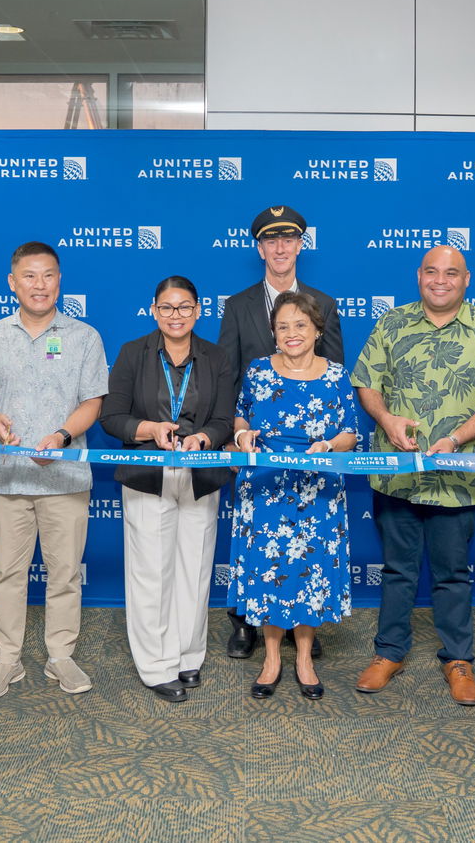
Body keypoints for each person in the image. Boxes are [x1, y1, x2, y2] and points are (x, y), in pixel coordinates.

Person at [351, 246, 475, 706]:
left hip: (458, 478)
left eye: (451, 273)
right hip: (397, 477)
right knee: (397, 571)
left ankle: (458, 659)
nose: (440, 280)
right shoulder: (391, 324)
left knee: (452, 574)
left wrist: (458, 439)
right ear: (418, 276)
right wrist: (385, 420)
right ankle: (389, 653)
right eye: (431, 272)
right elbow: (367, 382)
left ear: (467, 279)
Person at [0, 242, 108, 701]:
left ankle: (60, 656)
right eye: (29, 276)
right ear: (13, 282)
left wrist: (64, 436)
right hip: (7, 476)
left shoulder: (85, 336)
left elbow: (93, 402)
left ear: (59, 280)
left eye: (48, 275)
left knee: (65, 572)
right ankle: (6, 660)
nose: (39, 285)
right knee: (7, 572)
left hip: (64, 477)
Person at [100, 276, 235, 703]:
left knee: (194, 570)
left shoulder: (216, 357)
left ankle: (188, 656)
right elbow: (111, 416)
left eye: (184, 307)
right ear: (154, 310)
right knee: (150, 572)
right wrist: (148, 429)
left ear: (198, 310)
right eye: (167, 307)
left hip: (201, 472)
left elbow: (227, 419)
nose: (175, 316)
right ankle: (156, 665)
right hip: (148, 472)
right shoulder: (132, 353)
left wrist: (205, 439)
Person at [218, 204, 344, 659]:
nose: (280, 248)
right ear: (260, 248)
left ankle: (301, 625)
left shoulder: (324, 304)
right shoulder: (237, 305)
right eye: (271, 241)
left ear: (299, 246)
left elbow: (335, 376)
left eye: (288, 239)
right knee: (254, 535)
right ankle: (247, 624)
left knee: (307, 539)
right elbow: (228, 376)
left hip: (312, 453)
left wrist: (328, 442)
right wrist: (234, 434)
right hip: (257, 445)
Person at [229, 291, 359, 700]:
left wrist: (329, 447)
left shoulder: (336, 374)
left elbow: (352, 432)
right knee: (269, 570)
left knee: (310, 572)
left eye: (300, 325)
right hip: (266, 486)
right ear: (273, 333)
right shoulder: (258, 370)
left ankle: (304, 657)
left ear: (318, 330)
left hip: (316, 489)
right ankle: (271, 658)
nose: (291, 333)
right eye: (282, 326)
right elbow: (241, 413)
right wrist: (240, 434)